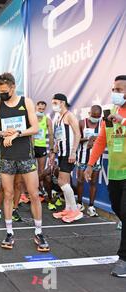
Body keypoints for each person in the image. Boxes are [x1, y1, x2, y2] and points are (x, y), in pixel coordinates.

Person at [0, 72, 49, 252]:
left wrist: (17, 133)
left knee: (33, 193)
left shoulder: (27, 102)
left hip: (25, 155)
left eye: (4, 90)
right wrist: (2, 133)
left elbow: (35, 127)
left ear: (13, 87)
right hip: (6, 157)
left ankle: (39, 233)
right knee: (7, 194)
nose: (1, 93)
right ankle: (9, 232)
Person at [85, 75, 126, 278]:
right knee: (119, 209)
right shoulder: (111, 114)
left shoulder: (121, 116)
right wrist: (90, 165)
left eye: (119, 90)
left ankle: (124, 259)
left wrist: (124, 121)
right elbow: (101, 141)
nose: (115, 93)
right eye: (114, 89)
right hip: (116, 173)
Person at [50, 94, 82, 223]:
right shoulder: (58, 117)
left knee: (61, 182)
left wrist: (73, 152)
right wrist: (54, 152)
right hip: (62, 153)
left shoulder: (70, 115)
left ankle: (75, 210)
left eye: (55, 102)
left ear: (62, 102)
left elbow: (78, 134)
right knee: (65, 182)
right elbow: (59, 137)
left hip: (69, 153)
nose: (53, 105)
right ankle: (68, 208)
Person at [75, 105, 103, 217]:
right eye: (93, 115)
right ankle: (79, 203)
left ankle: (91, 206)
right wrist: (88, 139)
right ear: (89, 113)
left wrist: (95, 139)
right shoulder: (82, 123)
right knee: (80, 181)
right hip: (83, 157)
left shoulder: (102, 124)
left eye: (98, 116)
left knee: (93, 182)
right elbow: (76, 139)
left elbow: (105, 139)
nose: (95, 118)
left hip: (96, 158)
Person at [34, 101, 54, 206]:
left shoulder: (47, 120)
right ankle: (29, 191)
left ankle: (40, 190)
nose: (40, 110)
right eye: (39, 108)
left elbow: (51, 134)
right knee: (29, 170)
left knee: (41, 171)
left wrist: (51, 149)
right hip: (32, 147)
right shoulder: (31, 118)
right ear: (36, 107)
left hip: (41, 146)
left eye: (42, 109)